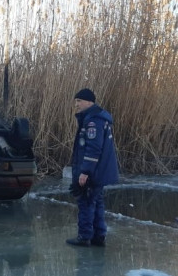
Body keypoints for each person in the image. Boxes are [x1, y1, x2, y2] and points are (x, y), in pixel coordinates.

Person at [66, 88, 119, 247]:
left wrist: (85, 172)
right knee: (97, 202)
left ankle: (85, 236)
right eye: (76, 101)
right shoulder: (96, 118)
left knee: (86, 201)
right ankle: (98, 236)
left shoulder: (93, 121)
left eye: (79, 101)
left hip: (93, 172)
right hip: (99, 171)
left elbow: (93, 148)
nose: (77, 105)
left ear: (89, 102)